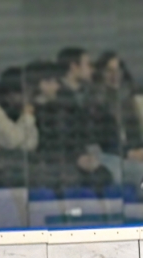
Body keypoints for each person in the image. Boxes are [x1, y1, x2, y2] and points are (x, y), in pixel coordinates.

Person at [29, 47, 111, 195]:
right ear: (41, 84)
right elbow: (46, 145)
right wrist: (77, 158)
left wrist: (81, 155)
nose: (57, 86)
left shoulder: (58, 108)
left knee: (102, 175)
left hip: (71, 159)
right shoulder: (34, 114)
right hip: (54, 166)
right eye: (52, 81)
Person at [90, 51, 143, 194]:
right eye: (109, 71)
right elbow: (102, 138)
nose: (114, 75)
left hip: (142, 154)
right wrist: (128, 153)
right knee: (140, 173)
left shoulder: (139, 99)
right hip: (113, 156)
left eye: (118, 70)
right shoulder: (96, 103)